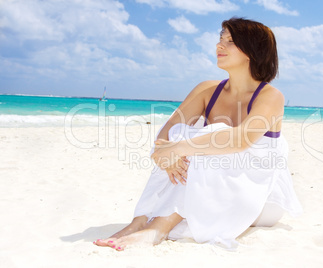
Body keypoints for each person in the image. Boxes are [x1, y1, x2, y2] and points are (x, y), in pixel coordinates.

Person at [94, 17, 302, 251]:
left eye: (230, 41)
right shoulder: (207, 90)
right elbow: (164, 138)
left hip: (261, 198)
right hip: (215, 188)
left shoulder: (271, 96)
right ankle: (140, 221)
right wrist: (170, 158)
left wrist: (179, 149)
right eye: (220, 39)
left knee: (212, 135)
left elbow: (240, 139)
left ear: (252, 51)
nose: (219, 45)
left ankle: (159, 227)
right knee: (181, 134)